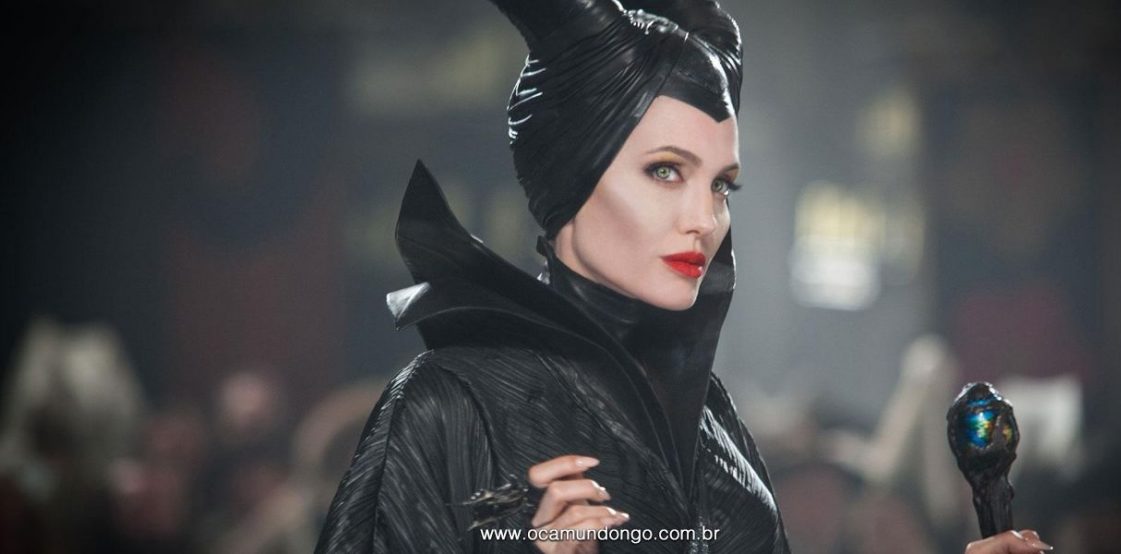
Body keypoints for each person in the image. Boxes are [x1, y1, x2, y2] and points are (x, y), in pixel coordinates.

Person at [315, 1, 1051, 552]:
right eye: (665, 171)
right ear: (571, 175)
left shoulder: (713, 424)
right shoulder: (448, 403)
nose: (705, 217)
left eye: (721, 184)